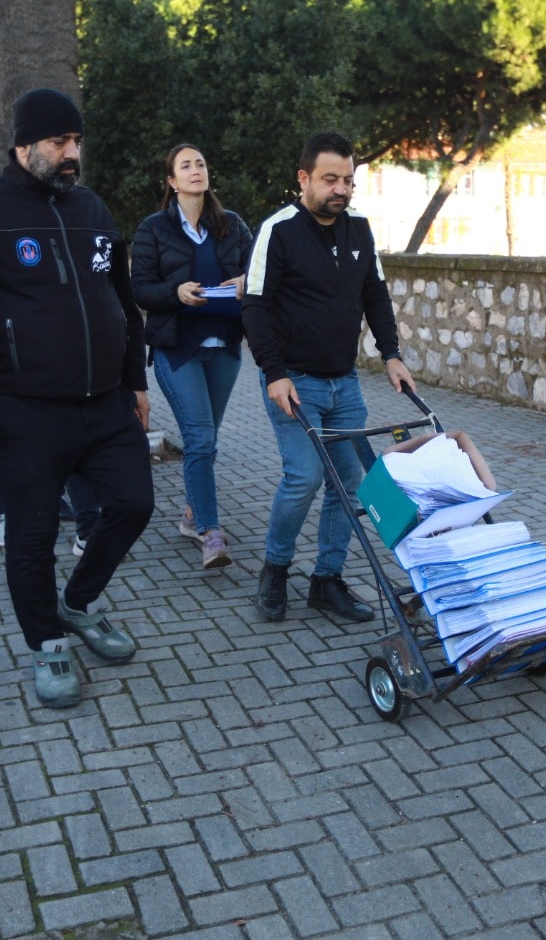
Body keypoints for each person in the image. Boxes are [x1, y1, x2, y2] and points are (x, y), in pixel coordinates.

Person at [0, 88, 153, 709]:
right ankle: (46, 642)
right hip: (21, 409)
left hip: (104, 402)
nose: (72, 153)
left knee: (134, 503)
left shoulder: (92, 209)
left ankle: (76, 603)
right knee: (31, 536)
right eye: (59, 141)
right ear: (24, 145)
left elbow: (122, 302)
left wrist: (135, 381)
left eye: (77, 141)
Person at [242, 131, 415, 623]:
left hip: (345, 382)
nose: (341, 189)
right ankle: (276, 569)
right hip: (294, 383)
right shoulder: (278, 230)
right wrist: (273, 373)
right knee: (305, 477)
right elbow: (255, 305)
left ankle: (326, 579)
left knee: (351, 480)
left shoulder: (359, 229)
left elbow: (375, 294)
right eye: (330, 179)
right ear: (304, 178)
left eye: (348, 180)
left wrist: (391, 355)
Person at [130, 144, 255, 571]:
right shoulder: (154, 229)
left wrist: (245, 280)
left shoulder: (232, 224)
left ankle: (190, 514)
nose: (196, 169)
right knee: (200, 439)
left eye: (200, 163)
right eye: (186, 166)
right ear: (172, 181)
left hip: (225, 347)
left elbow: (260, 272)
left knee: (207, 441)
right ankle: (210, 532)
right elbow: (139, 289)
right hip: (177, 349)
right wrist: (176, 291)